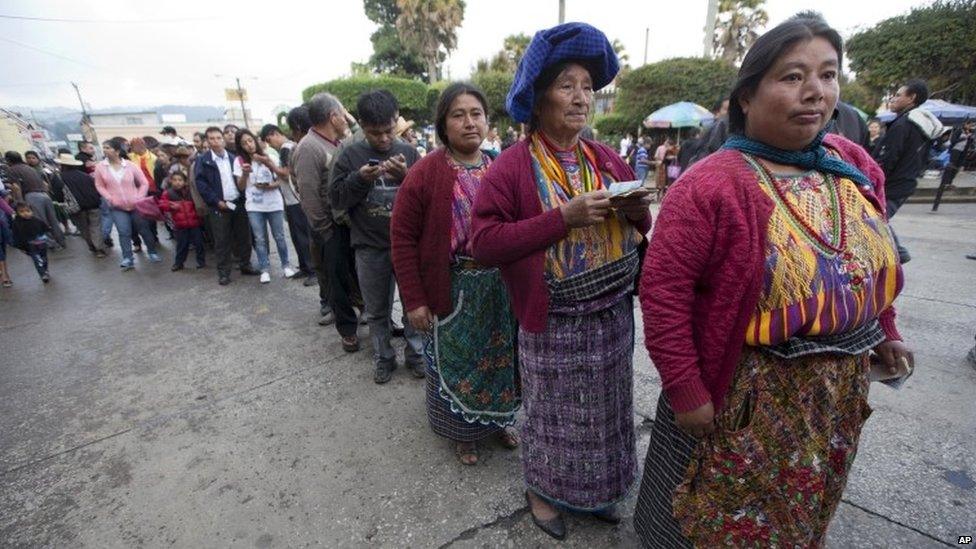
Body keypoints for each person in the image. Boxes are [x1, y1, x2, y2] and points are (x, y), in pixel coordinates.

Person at [632, 15, 912, 547]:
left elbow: (870, 256)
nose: (815, 93)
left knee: (807, 503)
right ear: (746, 96)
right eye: (791, 77)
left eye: (828, 75)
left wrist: (887, 327)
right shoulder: (710, 185)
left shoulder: (850, 163)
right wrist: (687, 390)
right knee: (728, 515)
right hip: (752, 395)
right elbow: (663, 294)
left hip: (835, 393)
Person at [471, 22, 652, 540]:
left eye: (588, 87)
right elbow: (483, 243)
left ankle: (593, 493)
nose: (581, 98)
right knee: (553, 420)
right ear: (539, 95)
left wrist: (638, 211)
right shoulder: (511, 167)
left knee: (604, 416)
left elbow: (641, 227)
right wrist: (561, 219)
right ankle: (543, 492)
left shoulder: (605, 158)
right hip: (554, 323)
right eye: (567, 85)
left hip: (614, 317)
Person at [392, 81, 521, 462]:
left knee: (501, 359)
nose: (469, 123)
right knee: (458, 360)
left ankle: (498, 421)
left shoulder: (499, 165)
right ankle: (462, 433)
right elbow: (401, 239)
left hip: (500, 287)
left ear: (487, 121)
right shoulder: (424, 173)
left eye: (476, 113)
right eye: (458, 115)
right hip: (453, 286)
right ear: (443, 124)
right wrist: (414, 300)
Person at [331, 90, 423, 383]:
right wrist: (359, 179)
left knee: (414, 306)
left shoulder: (409, 153)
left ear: (396, 121)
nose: (383, 139)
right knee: (376, 309)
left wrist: (407, 177)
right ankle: (384, 357)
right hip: (369, 247)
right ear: (361, 125)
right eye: (375, 133)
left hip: (407, 246)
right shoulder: (349, 155)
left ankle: (416, 354)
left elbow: (426, 197)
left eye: (388, 131)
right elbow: (336, 199)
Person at [292, 95, 360, 349]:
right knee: (337, 280)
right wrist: (325, 230)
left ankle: (363, 314)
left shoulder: (337, 142)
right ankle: (347, 330)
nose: (346, 118)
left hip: (346, 222)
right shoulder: (309, 147)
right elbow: (308, 194)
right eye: (344, 113)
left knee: (354, 274)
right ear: (333, 116)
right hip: (329, 227)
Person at [872, 79, 943, 263]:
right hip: (905, 182)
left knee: (873, 216)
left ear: (912, 98)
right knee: (876, 216)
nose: (893, 99)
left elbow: (888, 158)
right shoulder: (919, 127)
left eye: (898, 95)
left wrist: (873, 179)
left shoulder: (904, 125)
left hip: (893, 184)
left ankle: (897, 251)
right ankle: (895, 251)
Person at [194, 126, 259, 285]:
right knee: (222, 241)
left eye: (218, 138)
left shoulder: (233, 158)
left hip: (238, 203)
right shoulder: (203, 161)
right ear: (207, 141)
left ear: (223, 139)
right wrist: (216, 201)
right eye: (211, 139)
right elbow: (201, 185)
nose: (216, 141)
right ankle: (224, 272)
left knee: (244, 237)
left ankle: (246, 264)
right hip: (218, 206)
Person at [233, 129, 296, 283]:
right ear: (240, 146)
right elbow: (240, 187)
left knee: (280, 236)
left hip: (274, 203)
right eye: (244, 143)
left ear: (255, 140)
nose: (249, 145)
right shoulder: (239, 161)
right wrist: (245, 174)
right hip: (254, 206)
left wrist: (270, 185)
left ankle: (286, 265)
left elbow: (281, 178)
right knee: (260, 239)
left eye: (250, 140)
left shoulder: (270, 155)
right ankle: (264, 269)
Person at [260, 123, 315, 285]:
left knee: (303, 236)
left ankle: (312, 270)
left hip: (296, 199)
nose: (270, 144)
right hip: (292, 200)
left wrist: (269, 164)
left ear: (274, 134)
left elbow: (285, 173)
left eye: (269, 140)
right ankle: (305, 267)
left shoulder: (286, 148)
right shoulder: (290, 146)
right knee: (297, 236)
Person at [94, 139, 161, 270]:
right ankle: (127, 258)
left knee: (144, 229)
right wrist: (109, 198)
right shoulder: (101, 167)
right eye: (104, 148)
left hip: (135, 204)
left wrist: (139, 197)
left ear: (117, 151)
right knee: (124, 231)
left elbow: (144, 183)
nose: (105, 150)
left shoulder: (129, 165)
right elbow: (99, 185)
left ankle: (152, 252)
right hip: (117, 207)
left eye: (108, 147)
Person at [4, 151, 66, 250]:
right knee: (53, 220)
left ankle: (53, 244)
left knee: (40, 223)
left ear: (8, 160)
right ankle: (61, 242)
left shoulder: (12, 170)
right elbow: (45, 184)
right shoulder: (29, 168)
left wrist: (20, 203)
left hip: (32, 196)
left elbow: (16, 187)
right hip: (45, 195)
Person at [55, 153, 105, 257]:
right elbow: (96, 189)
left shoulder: (59, 178)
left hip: (76, 207)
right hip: (93, 204)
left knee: (84, 228)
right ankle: (99, 248)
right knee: (95, 227)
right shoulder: (85, 176)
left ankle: (92, 246)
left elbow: (59, 195)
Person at [159, 171, 205, 271]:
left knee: (199, 243)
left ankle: (201, 262)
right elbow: (162, 204)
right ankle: (179, 263)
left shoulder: (190, 192)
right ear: (170, 181)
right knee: (182, 245)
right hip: (180, 225)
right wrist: (171, 205)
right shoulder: (168, 193)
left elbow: (198, 203)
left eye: (180, 180)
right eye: (175, 180)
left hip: (194, 223)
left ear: (185, 182)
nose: (177, 182)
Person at [934, 119, 975, 212]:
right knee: (950, 166)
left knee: (956, 168)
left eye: (972, 125)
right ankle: (945, 182)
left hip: (963, 152)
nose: (970, 127)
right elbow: (953, 141)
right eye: (969, 125)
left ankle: (950, 182)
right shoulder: (959, 131)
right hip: (955, 150)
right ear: (965, 124)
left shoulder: (970, 133)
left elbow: (970, 143)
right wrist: (964, 138)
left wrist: (970, 139)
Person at [11, 201, 52, 282]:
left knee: (44, 258)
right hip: (30, 245)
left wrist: (48, 231)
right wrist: (21, 247)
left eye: (28, 211)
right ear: (17, 213)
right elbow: (16, 236)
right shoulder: (17, 223)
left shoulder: (36, 220)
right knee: (37, 259)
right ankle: (43, 274)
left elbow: (45, 227)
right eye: (22, 212)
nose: (25, 213)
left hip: (41, 243)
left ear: (31, 211)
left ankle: (45, 270)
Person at [0, 191, 14, 286]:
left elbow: (4, 205)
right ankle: (5, 275)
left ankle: (4, 273)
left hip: (1, 226)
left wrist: (14, 214)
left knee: (3, 250)